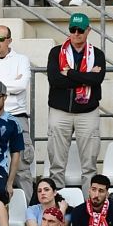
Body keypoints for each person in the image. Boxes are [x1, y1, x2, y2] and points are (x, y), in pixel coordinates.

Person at [47, 13, 106, 187]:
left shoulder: (97, 54)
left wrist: (70, 73)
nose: (76, 33)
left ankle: (91, 203)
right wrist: (86, 76)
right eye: (73, 29)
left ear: (88, 30)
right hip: (60, 111)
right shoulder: (56, 52)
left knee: (89, 165)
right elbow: (55, 80)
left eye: (80, 30)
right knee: (56, 164)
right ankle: (55, 204)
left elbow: (97, 80)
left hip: (87, 112)